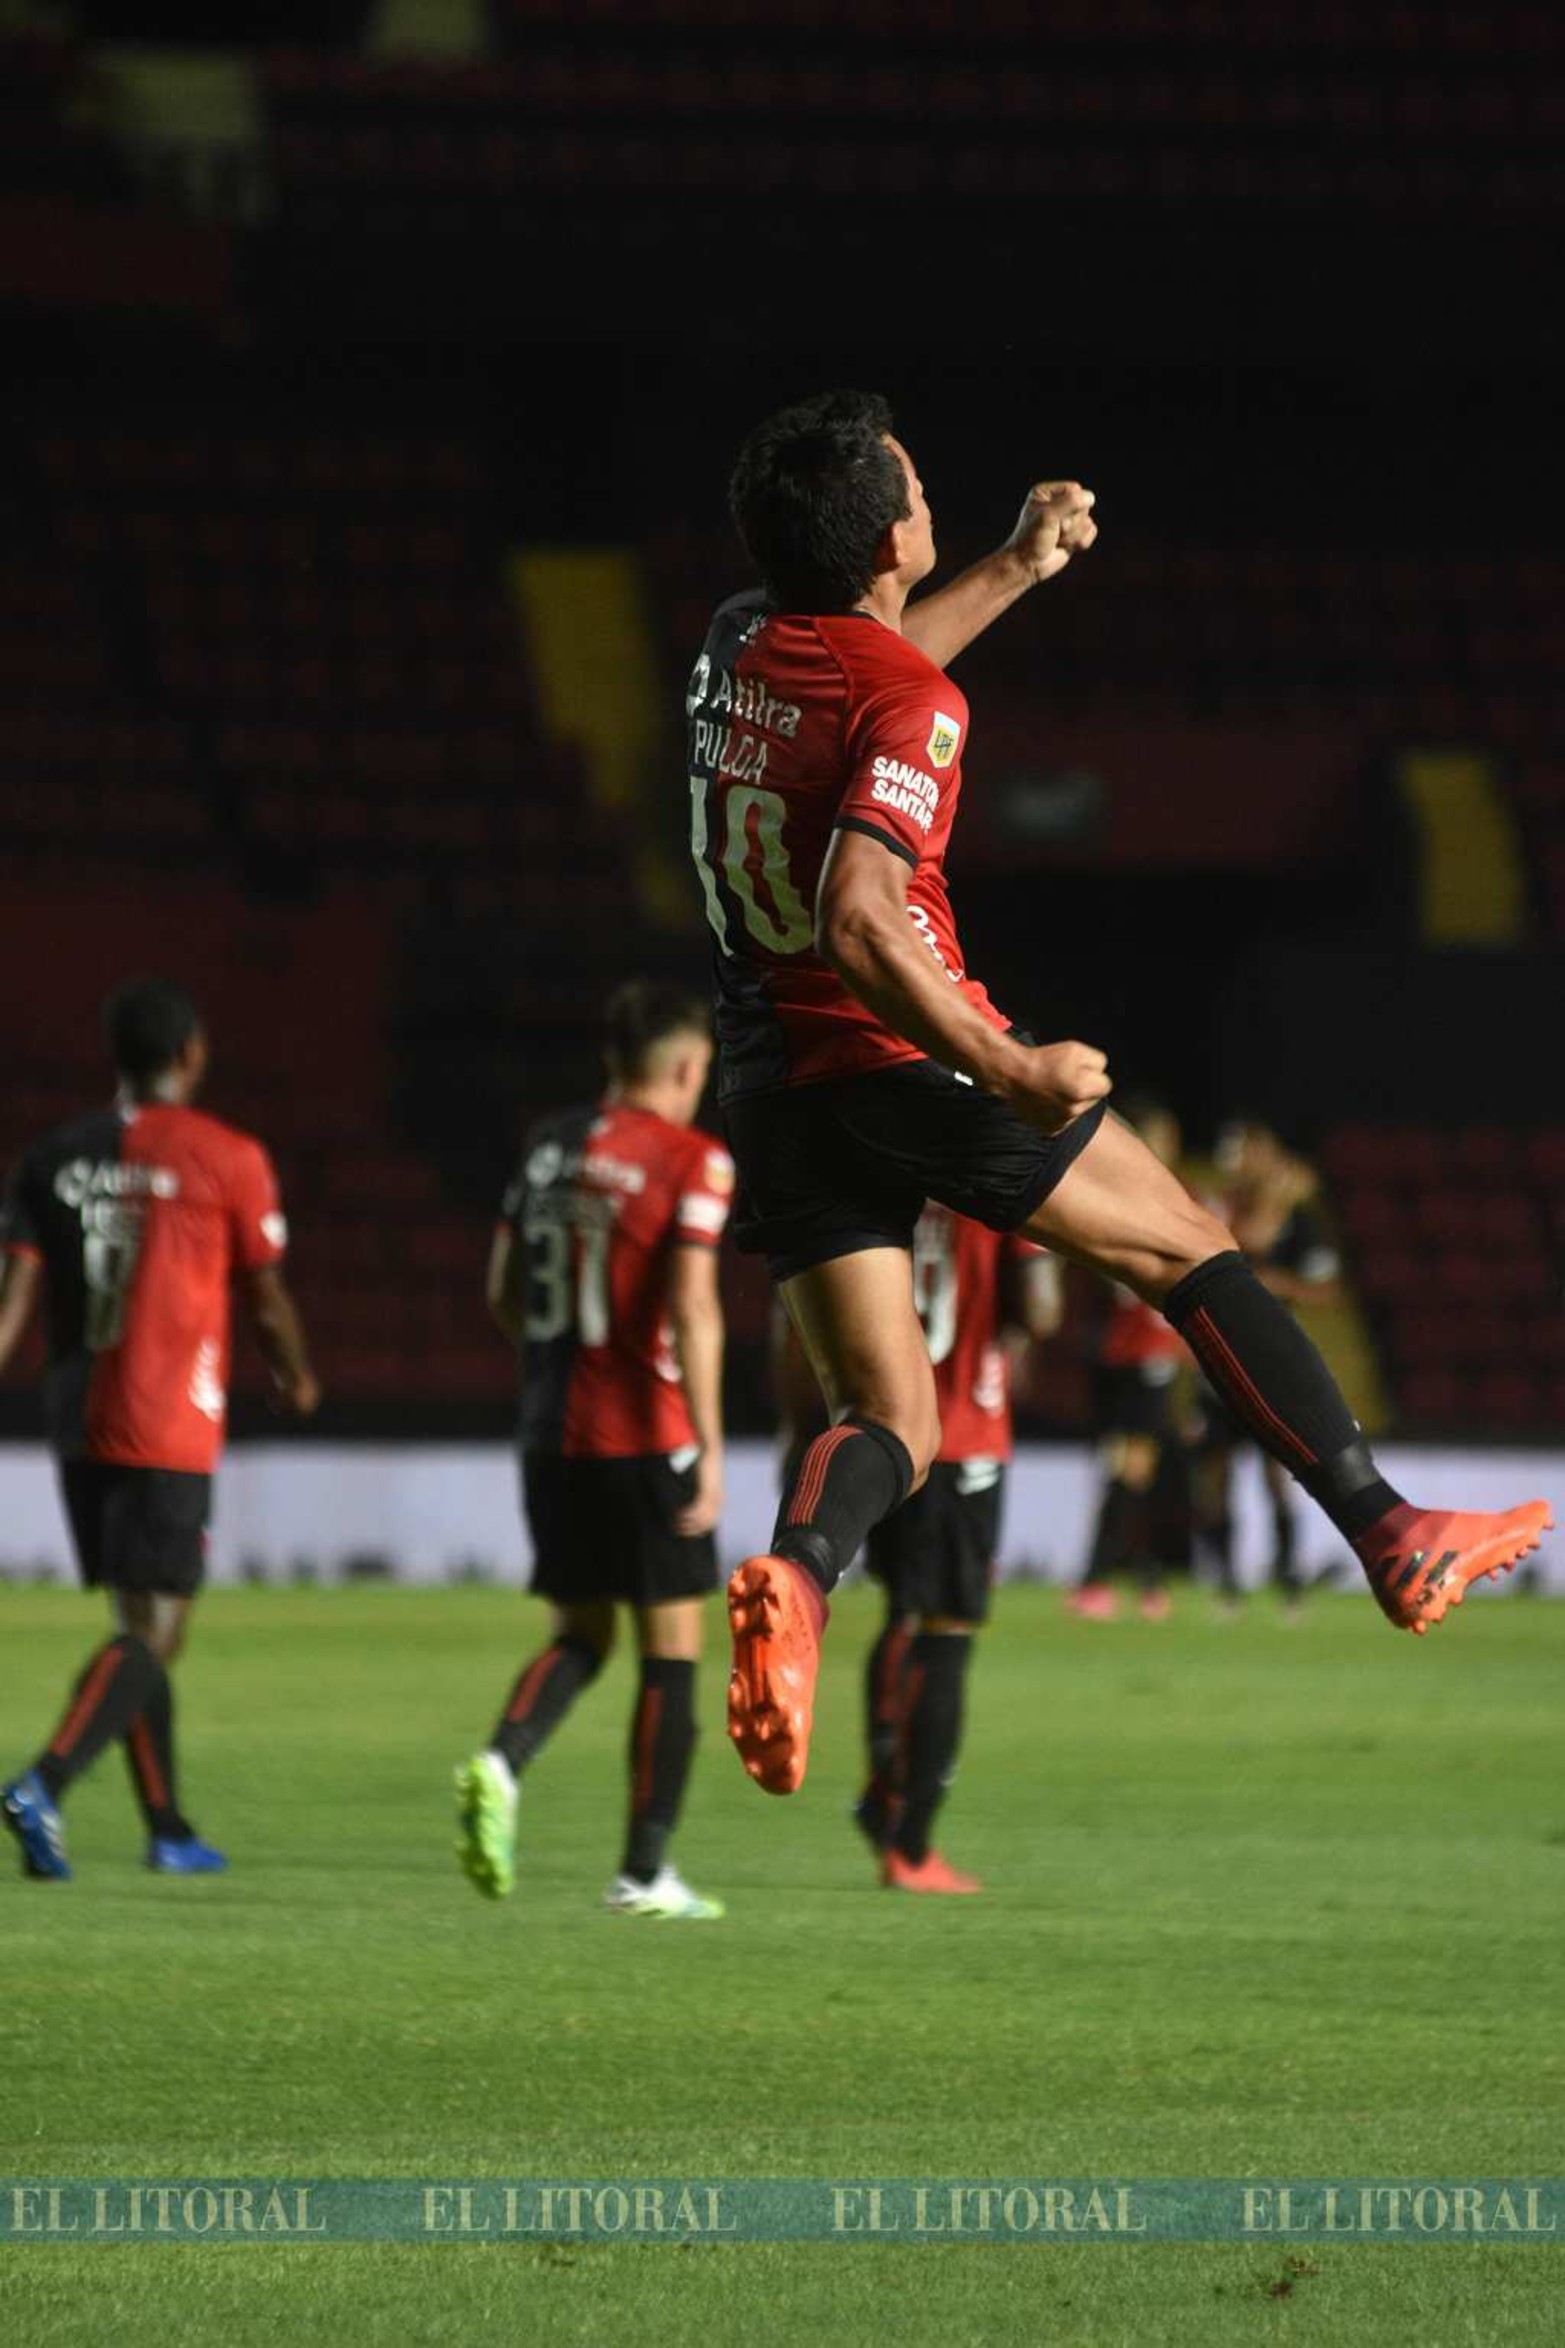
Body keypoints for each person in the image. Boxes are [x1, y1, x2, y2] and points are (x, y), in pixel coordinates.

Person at [685, 387, 1550, 1799]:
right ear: (886, 532)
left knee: (887, 1413)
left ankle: (797, 1577)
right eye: (915, 486)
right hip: (911, 1053)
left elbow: (868, 666)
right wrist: (1011, 1063)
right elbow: (857, 909)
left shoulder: (738, 638)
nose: (928, 497)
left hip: (775, 1080)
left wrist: (1016, 569)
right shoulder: (915, 702)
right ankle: (1390, 1531)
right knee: (1189, 1248)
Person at [0, 977, 320, 1880]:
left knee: (134, 1620)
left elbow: (11, 1303)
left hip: (75, 1420)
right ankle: (44, 1784)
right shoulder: (227, 1156)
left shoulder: (50, 1157)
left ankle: (168, 1827)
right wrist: (296, 1373)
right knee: (157, 1631)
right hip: (169, 1418)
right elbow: (264, 1294)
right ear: (190, 1054)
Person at [456, 979, 733, 1919]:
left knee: (580, 1635)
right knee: (672, 1652)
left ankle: (501, 1760)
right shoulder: (692, 1161)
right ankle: (644, 1872)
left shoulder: (544, 1149)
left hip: (550, 1434)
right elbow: (694, 1308)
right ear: (687, 1067)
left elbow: (500, 1292)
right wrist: (707, 1442)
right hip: (646, 1436)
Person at [778, 1209, 1060, 1894]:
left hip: (881, 1436)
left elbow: (795, 1323)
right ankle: (910, 1843)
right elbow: (1042, 1308)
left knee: (901, 1610)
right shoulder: (991, 1173)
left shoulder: (883, 1174)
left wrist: (801, 1432)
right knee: (948, 1630)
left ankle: (883, 1777)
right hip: (962, 1435)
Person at [1194, 1116, 1345, 1613]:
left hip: (1269, 1361)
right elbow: (1240, 1245)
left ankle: (1288, 1578)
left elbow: (1324, 1288)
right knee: (1215, 1474)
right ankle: (1226, 1583)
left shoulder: (1301, 1223)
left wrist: (1280, 1285)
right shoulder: (1224, 1208)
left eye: (1245, 1151)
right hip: (1215, 1360)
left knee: (1279, 1473)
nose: (1236, 1162)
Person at [1069, 1094, 1192, 1623]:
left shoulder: (1171, 1198)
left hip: (1151, 1358)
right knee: (1127, 1473)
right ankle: (1142, 1581)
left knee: (1132, 1471)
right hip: (1121, 1355)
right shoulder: (1131, 1195)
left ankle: (1104, 1580)